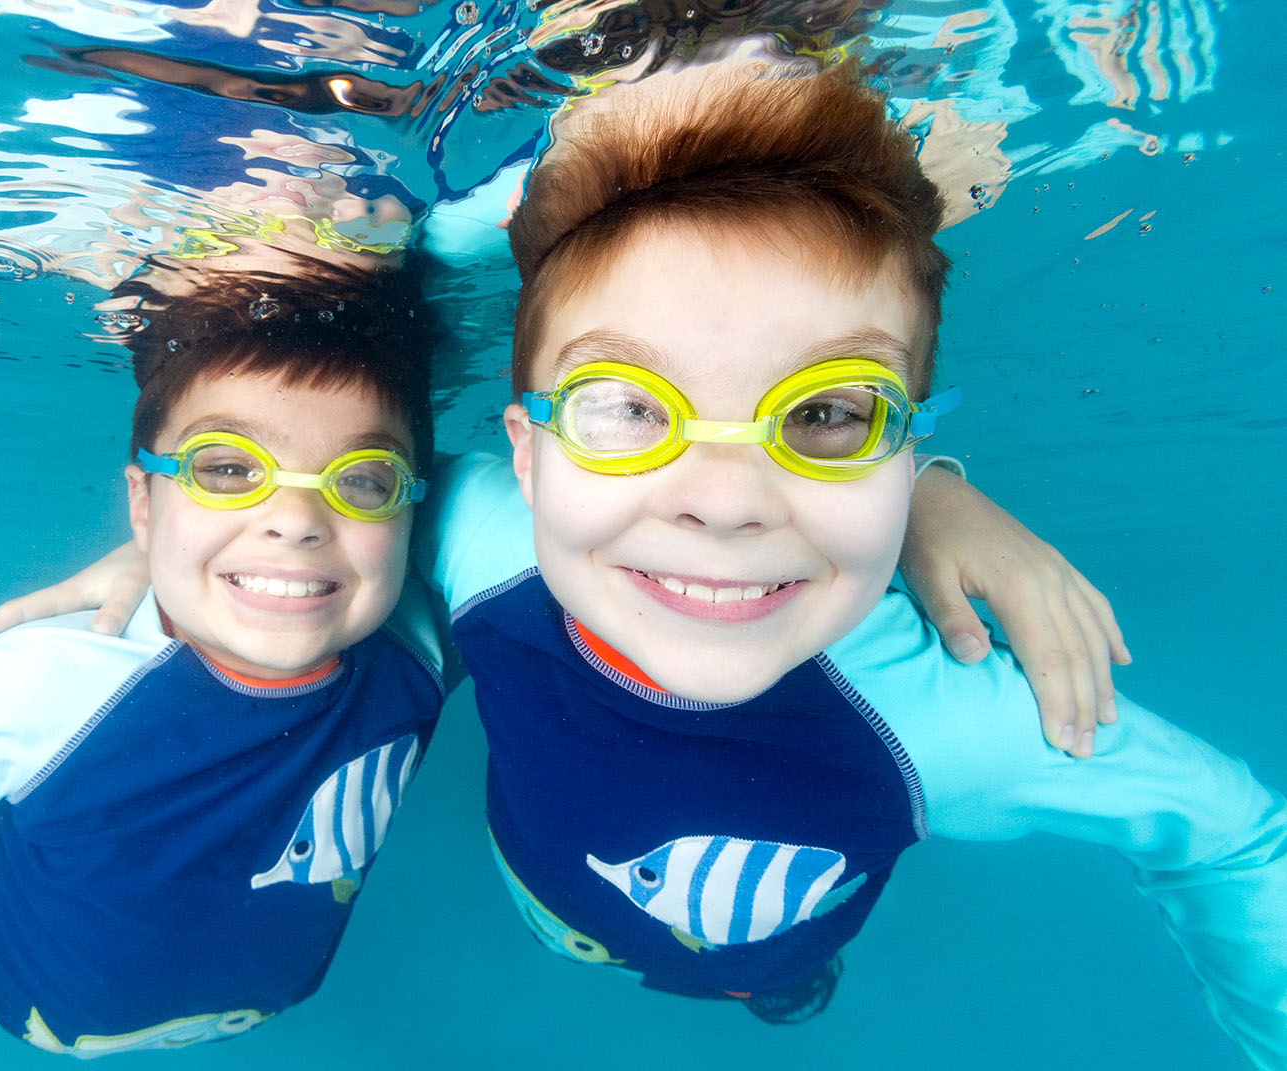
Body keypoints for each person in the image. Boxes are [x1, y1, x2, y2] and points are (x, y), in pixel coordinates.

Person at [417, 61, 1283, 1062]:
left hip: (773, 957)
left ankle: (785, 987)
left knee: (782, 985)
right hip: (539, 901)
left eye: (829, 414)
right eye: (629, 407)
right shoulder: (467, 534)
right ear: (525, 456)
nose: (728, 503)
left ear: (901, 453)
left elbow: (1235, 836)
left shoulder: (940, 722)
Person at [0, 260, 445, 1056]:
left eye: (363, 479)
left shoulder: (426, 630)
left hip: (263, 990)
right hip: (1, 973)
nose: (296, 520)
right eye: (228, 469)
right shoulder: (37, 686)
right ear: (142, 502)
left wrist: (168, 552)